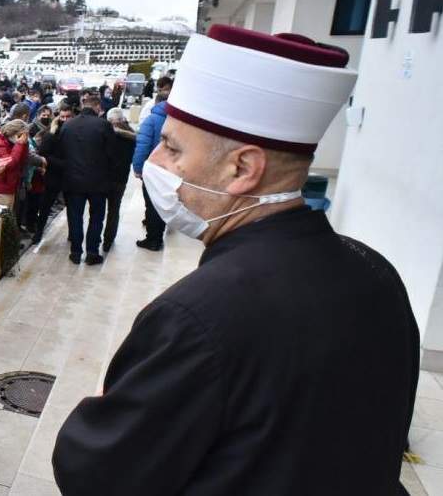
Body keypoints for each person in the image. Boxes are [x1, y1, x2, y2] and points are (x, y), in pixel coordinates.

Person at [53, 25, 419, 495]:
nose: (155, 163)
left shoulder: (197, 316)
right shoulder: (375, 270)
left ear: (243, 168)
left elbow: (95, 475)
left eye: (174, 147)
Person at [57, 99, 116, 265]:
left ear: (82, 107)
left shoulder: (68, 125)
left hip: (73, 180)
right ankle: (92, 252)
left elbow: (61, 151)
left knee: (75, 217)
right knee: (96, 217)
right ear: (97, 107)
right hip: (98, 181)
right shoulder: (103, 125)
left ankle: (75, 252)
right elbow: (112, 154)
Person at [131, 85, 169, 251]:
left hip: (153, 170)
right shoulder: (177, 120)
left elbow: (142, 145)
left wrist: (138, 168)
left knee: (152, 205)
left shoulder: (151, 120)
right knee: (162, 204)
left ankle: (153, 239)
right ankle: (159, 236)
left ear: (156, 102)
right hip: (172, 170)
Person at [103, 108, 137, 252]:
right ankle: (108, 240)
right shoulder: (131, 133)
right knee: (114, 209)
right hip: (121, 178)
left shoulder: (106, 133)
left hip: (104, 177)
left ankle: (98, 238)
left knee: (98, 210)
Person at [0, 119, 28, 210]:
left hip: (10, 184)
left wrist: (25, 144)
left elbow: (22, 159)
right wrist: (19, 144)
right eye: (20, 135)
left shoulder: (8, 141)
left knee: (8, 218)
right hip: (1, 188)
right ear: (13, 133)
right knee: (1, 218)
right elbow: (9, 164)